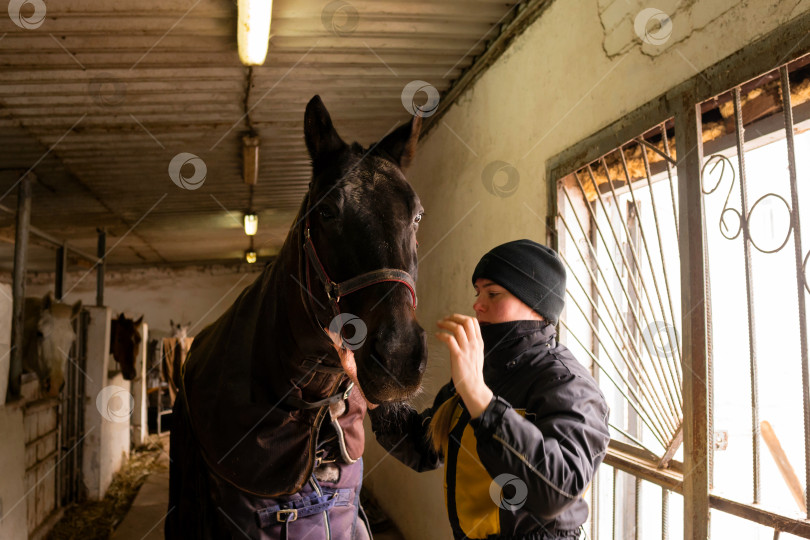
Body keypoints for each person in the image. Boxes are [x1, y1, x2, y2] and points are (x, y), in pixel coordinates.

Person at [335, 239, 610, 540]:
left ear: (536, 303)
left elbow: (557, 491)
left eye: (493, 293)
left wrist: (479, 396)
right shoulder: (480, 371)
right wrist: (362, 378)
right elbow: (422, 447)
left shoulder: (569, 385)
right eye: (478, 293)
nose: (478, 304)